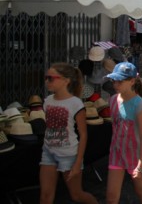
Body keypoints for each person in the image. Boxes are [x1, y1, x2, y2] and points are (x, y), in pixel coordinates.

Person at [40, 63, 98, 204]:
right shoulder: (47, 101)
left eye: (51, 78)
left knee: (76, 195)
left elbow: (83, 134)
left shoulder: (76, 103)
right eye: (46, 78)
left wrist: (78, 162)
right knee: (46, 196)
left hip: (69, 155)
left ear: (66, 81)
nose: (47, 81)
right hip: (48, 152)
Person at [106, 62, 142, 204]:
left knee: (140, 190)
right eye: (114, 81)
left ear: (132, 81)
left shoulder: (139, 104)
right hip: (117, 153)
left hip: (135, 155)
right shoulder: (112, 100)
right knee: (111, 196)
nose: (116, 84)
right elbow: (115, 126)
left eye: (120, 81)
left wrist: (140, 164)